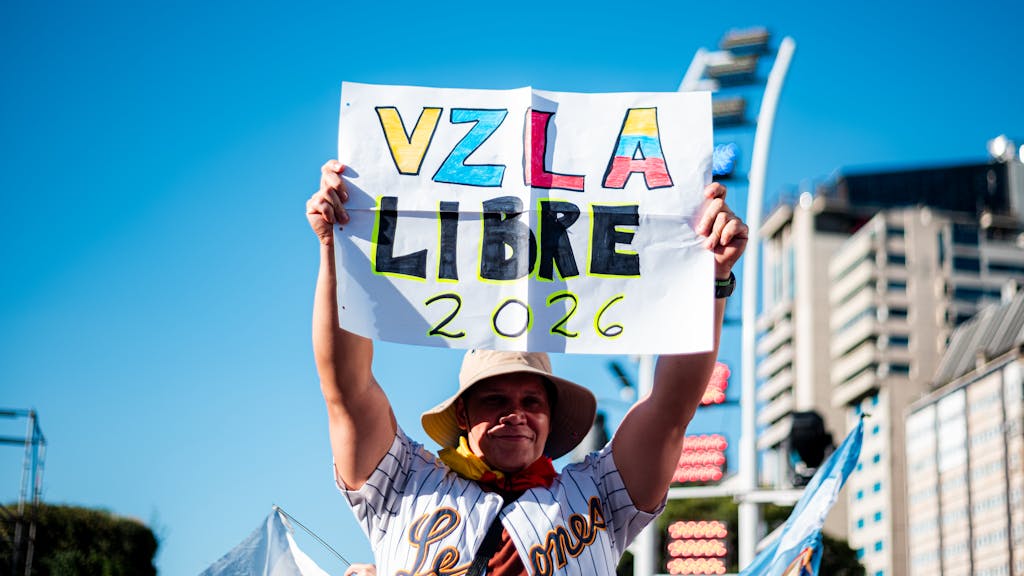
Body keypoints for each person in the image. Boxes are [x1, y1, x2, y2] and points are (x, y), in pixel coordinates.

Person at [307, 159, 747, 575]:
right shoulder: (404, 483)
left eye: (532, 401)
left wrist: (711, 280)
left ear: (551, 417)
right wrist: (336, 248)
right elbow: (347, 391)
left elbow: (671, 408)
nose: (515, 414)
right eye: (494, 399)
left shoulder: (598, 492)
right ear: (463, 414)